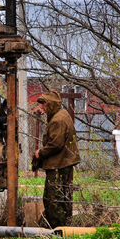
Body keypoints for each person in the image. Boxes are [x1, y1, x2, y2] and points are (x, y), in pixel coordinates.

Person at [32, 91, 80, 228]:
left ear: (50, 105)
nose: (42, 108)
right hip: (64, 162)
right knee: (64, 197)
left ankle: (57, 230)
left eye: (44, 105)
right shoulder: (62, 114)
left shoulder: (57, 120)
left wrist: (40, 153)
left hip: (58, 164)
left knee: (53, 199)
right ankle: (65, 227)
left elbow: (55, 144)